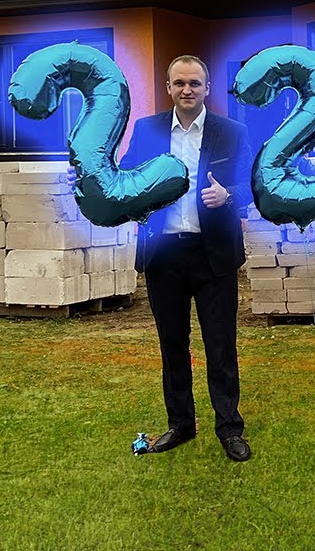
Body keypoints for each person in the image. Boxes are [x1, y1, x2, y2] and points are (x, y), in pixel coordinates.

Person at [118, 54, 255, 462]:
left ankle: (229, 427)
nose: (187, 90)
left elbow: (253, 185)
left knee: (221, 345)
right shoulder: (147, 130)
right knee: (172, 345)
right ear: (168, 87)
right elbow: (126, 178)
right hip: (164, 255)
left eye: (195, 83)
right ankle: (180, 424)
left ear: (207, 88)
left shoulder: (231, 132)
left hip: (213, 254)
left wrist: (228, 195)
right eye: (179, 83)